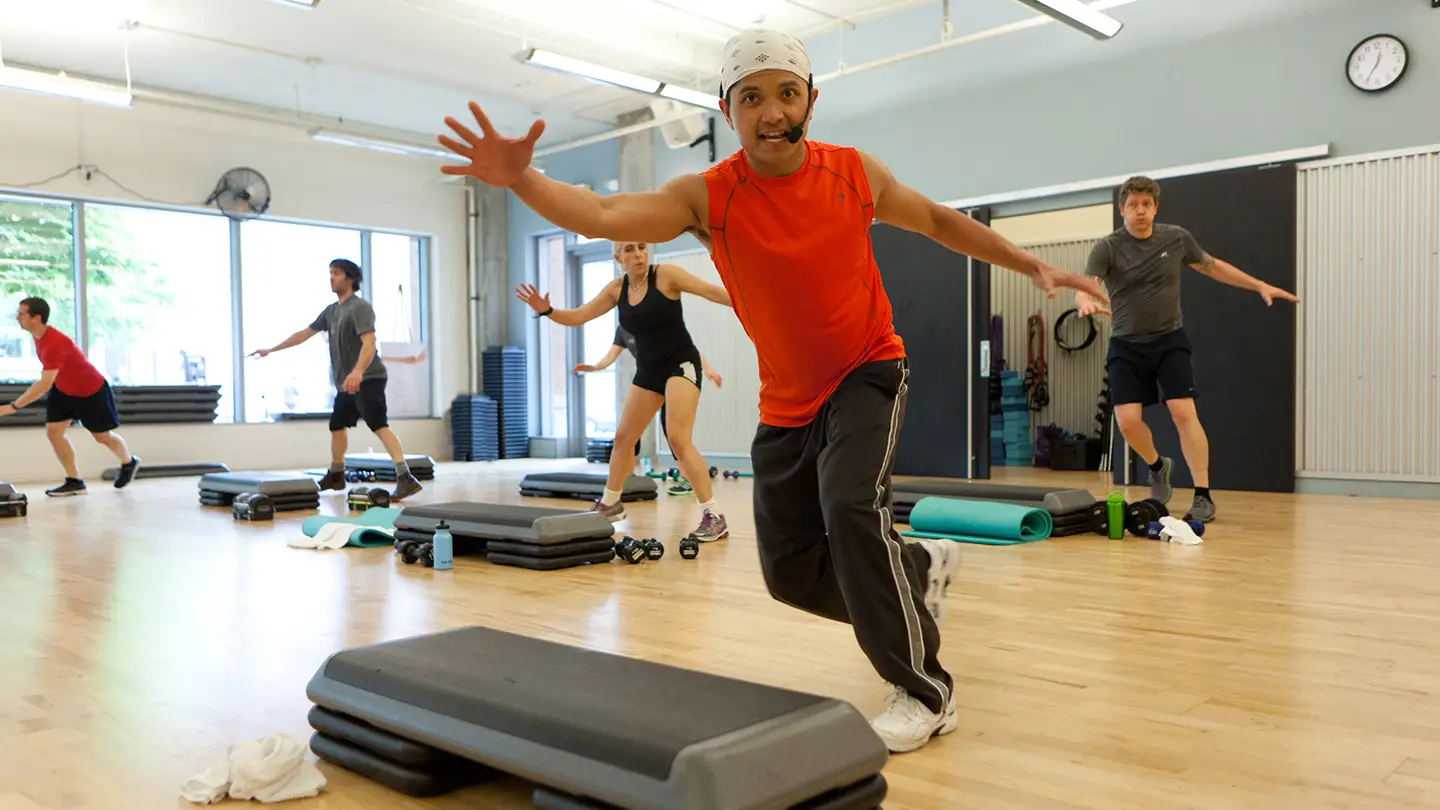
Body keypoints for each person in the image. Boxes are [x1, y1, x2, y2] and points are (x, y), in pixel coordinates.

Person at [436, 29, 1107, 752]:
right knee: (789, 576)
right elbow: (600, 216)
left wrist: (1032, 266)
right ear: (729, 112)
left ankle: (924, 688)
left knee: (851, 507)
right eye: (752, 97)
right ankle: (915, 569)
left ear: (811, 101)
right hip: (787, 401)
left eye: (787, 93)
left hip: (868, 370)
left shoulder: (854, 174)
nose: (773, 111)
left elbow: (940, 220)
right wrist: (521, 182)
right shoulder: (708, 195)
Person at [1077, 176, 1297, 523]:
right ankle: (1157, 466)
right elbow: (1086, 283)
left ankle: (1202, 494)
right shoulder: (1108, 247)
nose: (1140, 211)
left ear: (1155, 207)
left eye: (1146, 205)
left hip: (1169, 340)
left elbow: (1212, 266)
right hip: (1126, 344)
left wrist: (1258, 285)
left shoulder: (1175, 238)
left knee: (1182, 412)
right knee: (1128, 421)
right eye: (1133, 205)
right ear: (1122, 209)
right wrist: (1083, 300)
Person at [515, 239, 732, 540]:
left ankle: (713, 515)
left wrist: (754, 303)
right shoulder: (616, 290)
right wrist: (547, 310)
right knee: (623, 437)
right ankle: (611, 503)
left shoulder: (666, 275)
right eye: (629, 249)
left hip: (681, 364)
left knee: (678, 439)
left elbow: (712, 292)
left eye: (642, 247)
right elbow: (579, 316)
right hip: (650, 371)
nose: (638, 254)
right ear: (618, 257)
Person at [249, 258, 423, 501]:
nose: (331, 277)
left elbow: (369, 343)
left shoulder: (360, 307)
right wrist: (271, 349)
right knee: (337, 425)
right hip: (347, 383)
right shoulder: (331, 311)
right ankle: (336, 474)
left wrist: (358, 371)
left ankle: (405, 477)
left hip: (368, 378)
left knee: (379, 426)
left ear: (350, 278)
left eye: (337, 273)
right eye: (330, 273)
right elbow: (304, 334)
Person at [0, 297, 141, 495]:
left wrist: (14, 406)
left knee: (102, 437)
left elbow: (44, 384)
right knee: (54, 433)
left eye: (21, 313)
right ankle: (75, 481)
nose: (17, 317)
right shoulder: (37, 335)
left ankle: (129, 461)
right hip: (64, 389)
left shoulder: (55, 343)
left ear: (37, 317)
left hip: (90, 391)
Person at [578, 322, 724, 495]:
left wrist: (708, 370)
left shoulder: (656, 320)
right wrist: (595, 367)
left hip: (675, 377)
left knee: (674, 433)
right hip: (650, 379)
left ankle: (687, 479)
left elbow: (688, 350)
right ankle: (627, 476)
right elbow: (611, 355)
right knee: (629, 431)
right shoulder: (623, 330)